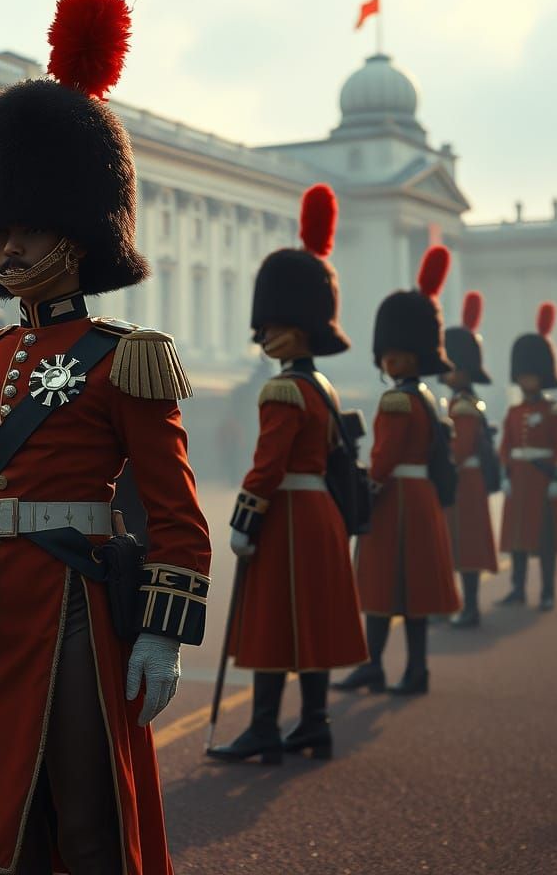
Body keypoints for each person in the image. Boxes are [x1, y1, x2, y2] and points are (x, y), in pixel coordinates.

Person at [0, 0, 211, 875]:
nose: (7, 250)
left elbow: (175, 514)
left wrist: (159, 630)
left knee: (86, 821)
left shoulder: (129, 356)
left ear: (79, 233)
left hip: (78, 606)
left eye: (30, 229)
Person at [209, 184, 367, 765]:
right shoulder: (324, 386)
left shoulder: (282, 388)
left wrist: (244, 519)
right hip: (321, 513)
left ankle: (264, 728)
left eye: (271, 327)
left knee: (274, 623)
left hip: (287, 517)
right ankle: (314, 725)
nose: (263, 336)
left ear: (296, 329)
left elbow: (266, 464)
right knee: (316, 623)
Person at [334, 247, 461, 696]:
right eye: (388, 354)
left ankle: (376, 666)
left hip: (394, 503)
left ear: (414, 355)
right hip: (421, 498)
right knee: (414, 593)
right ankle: (415, 668)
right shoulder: (430, 398)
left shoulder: (396, 400)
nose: (390, 360)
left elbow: (383, 457)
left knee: (383, 589)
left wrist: (361, 489)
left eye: (397, 354)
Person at [441, 292, 499, 627]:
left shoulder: (462, 406)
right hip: (467, 483)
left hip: (462, 483)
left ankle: (469, 608)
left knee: (463, 547)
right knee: (461, 546)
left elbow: (458, 452)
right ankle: (464, 606)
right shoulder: (462, 402)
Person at [496, 303, 557, 612]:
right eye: (523, 377)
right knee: (518, 540)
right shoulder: (514, 411)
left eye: (532, 377)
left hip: (542, 480)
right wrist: (506, 470)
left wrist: (556, 479)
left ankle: (547, 591)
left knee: (545, 542)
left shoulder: (553, 411)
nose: (527, 382)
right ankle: (517, 589)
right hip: (519, 481)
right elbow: (506, 444)